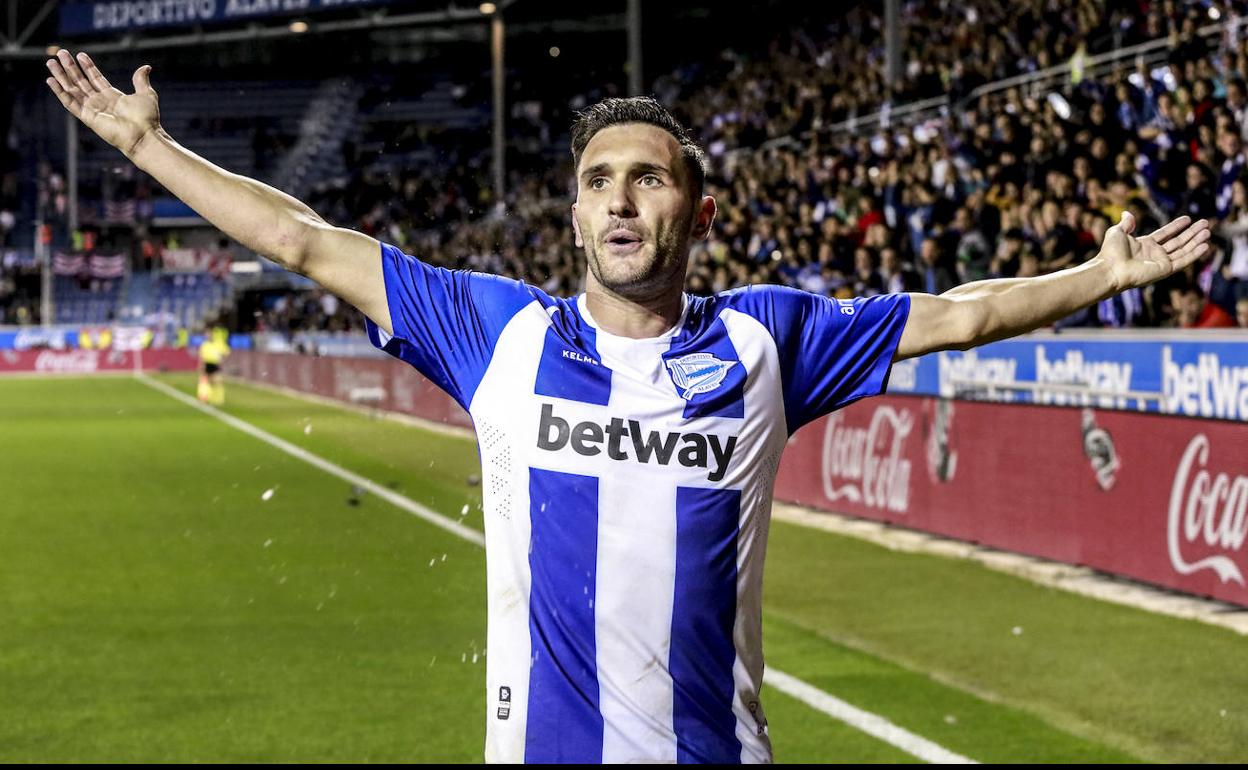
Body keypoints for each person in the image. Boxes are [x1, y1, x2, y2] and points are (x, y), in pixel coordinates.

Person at [44, 51, 1212, 764]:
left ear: (697, 214)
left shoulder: (770, 339)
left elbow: (957, 313)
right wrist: (154, 148)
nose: (620, 199)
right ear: (573, 213)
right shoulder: (496, 330)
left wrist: (1100, 277)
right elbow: (302, 237)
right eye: (599, 179)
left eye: (648, 176)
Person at [196, 325, 230, 405]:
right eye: (206, 334)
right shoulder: (204, 344)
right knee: (204, 382)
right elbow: (201, 356)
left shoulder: (219, 343)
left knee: (216, 383)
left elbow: (226, 352)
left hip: (215, 364)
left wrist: (222, 358)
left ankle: (218, 399)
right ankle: (203, 397)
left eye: (209, 333)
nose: (208, 335)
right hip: (207, 364)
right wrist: (201, 365)